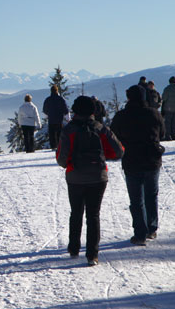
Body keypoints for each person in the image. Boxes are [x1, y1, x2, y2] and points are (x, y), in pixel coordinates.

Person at [57, 96, 124, 266]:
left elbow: (61, 159)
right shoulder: (101, 129)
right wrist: (103, 155)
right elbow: (118, 151)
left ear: (75, 110)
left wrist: (70, 163)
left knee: (76, 212)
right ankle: (92, 255)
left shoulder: (68, 130)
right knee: (93, 215)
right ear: (93, 111)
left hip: (75, 177)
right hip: (98, 176)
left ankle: (74, 248)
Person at [111, 85, 165, 246]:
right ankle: (152, 228)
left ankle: (140, 233)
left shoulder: (122, 116)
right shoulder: (153, 113)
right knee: (151, 194)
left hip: (132, 159)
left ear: (129, 97)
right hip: (152, 159)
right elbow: (162, 133)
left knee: (136, 199)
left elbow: (114, 135)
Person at [42, 85, 69, 150]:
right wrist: (67, 118)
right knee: (59, 133)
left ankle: (53, 146)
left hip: (51, 119)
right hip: (59, 119)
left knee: (52, 134)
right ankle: (59, 146)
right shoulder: (61, 99)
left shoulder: (48, 99)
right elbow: (65, 110)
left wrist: (47, 114)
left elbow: (44, 110)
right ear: (57, 91)